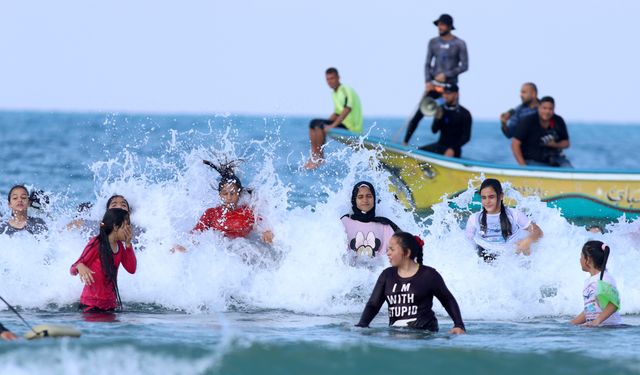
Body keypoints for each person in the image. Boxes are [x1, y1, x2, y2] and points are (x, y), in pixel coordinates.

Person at [356, 232, 465, 333]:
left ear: (407, 252)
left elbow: (448, 300)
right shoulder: (387, 275)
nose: (388, 253)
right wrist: (362, 325)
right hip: (396, 335)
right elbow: (373, 305)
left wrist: (459, 325)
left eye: (392, 249)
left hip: (425, 335)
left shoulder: (429, 275)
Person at [172, 160, 273, 252]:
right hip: (221, 254)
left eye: (233, 193)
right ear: (220, 194)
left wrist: (267, 233)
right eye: (225, 193)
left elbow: (263, 225)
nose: (229, 197)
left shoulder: (248, 212)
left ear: (239, 194)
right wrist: (183, 246)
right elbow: (196, 234)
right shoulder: (211, 213)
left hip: (244, 250)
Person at [404, 14, 469, 139]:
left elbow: (465, 66)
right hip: (434, 87)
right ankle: (405, 143)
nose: (440, 27)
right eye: (439, 24)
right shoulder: (433, 42)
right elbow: (427, 63)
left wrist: (446, 75)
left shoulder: (460, 43)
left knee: (448, 117)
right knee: (418, 115)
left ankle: (448, 148)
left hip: (449, 89)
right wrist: (428, 81)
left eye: (443, 24)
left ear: (450, 26)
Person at [70, 208, 137, 312]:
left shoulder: (120, 246)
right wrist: (80, 266)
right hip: (90, 305)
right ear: (115, 227)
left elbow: (131, 269)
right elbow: (73, 268)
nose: (129, 230)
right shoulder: (97, 243)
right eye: (126, 226)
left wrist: (128, 245)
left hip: (110, 305)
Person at [465, 178, 543, 262]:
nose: (487, 201)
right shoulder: (474, 219)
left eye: (491, 197)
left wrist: (528, 240)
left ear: (501, 196)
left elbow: (538, 232)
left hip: (510, 256)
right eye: (484, 198)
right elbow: (468, 244)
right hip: (485, 255)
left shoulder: (514, 215)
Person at [304, 67, 363, 169]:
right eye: (328, 79)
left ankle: (319, 157)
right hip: (342, 123)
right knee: (314, 123)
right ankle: (314, 156)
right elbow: (336, 113)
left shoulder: (345, 89)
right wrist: (327, 124)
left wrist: (331, 126)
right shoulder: (334, 93)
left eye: (332, 78)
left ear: (338, 78)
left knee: (320, 125)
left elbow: (347, 109)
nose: (330, 81)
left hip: (351, 127)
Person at [404, 83, 472, 157]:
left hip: (454, 151)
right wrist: (437, 118)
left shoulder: (465, 113)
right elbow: (434, 130)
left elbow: (466, 137)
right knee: (415, 153)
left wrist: (452, 149)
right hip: (439, 145)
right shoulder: (441, 109)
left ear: (456, 94)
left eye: (448, 93)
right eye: (444, 93)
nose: (445, 96)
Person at [341, 181, 400, 258]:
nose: (365, 200)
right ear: (354, 200)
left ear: (374, 198)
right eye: (360, 197)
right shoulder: (344, 222)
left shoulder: (385, 225)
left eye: (369, 196)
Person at [570, 241, 622, 327]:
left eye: (581, 256)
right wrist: (572, 323)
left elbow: (614, 303)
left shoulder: (604, 278)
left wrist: (596, 321)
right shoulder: (589, 281)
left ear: (588, 259)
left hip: (611, 328)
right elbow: (590, 309)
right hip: (598, 328)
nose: (580, 259)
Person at [512, 96, 572, 167]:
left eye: (550, 109)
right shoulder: (528, 121)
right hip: (533, 160)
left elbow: (566, 143)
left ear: (554, 109)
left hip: (556, 159)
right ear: (538, 107)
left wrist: (554, 144)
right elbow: (515, 144)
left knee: (570, 171)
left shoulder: (558, 120)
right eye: (544, 108)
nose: (547, 111)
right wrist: (523, 167)